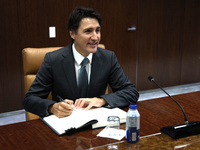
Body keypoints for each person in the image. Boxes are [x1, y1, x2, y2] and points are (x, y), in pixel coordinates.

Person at [23, 7, 139, 118]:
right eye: (88, 31)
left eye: (97, 30)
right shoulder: (53, 60)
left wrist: (101, 100)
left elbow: (131, 92)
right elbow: (30, 99)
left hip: (96, 123)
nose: (95, 37)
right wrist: (52, 107)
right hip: (65, 124)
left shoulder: (108, 58)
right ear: (72, 34)